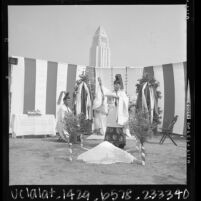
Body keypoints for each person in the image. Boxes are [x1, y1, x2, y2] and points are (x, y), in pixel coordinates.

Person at [104, 74, 129, 149]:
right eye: (115, 84)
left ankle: (120, 143)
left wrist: (118, 98)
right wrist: (110, 99)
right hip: (112, 112)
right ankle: (109, 142)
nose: (116, 86)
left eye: (117, 84)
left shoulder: (122, 92)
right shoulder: (112, 92)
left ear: (120, 85)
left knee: (118, 126)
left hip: (119, 112)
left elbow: (126, 100)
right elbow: (109, 102)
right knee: (111, 125)